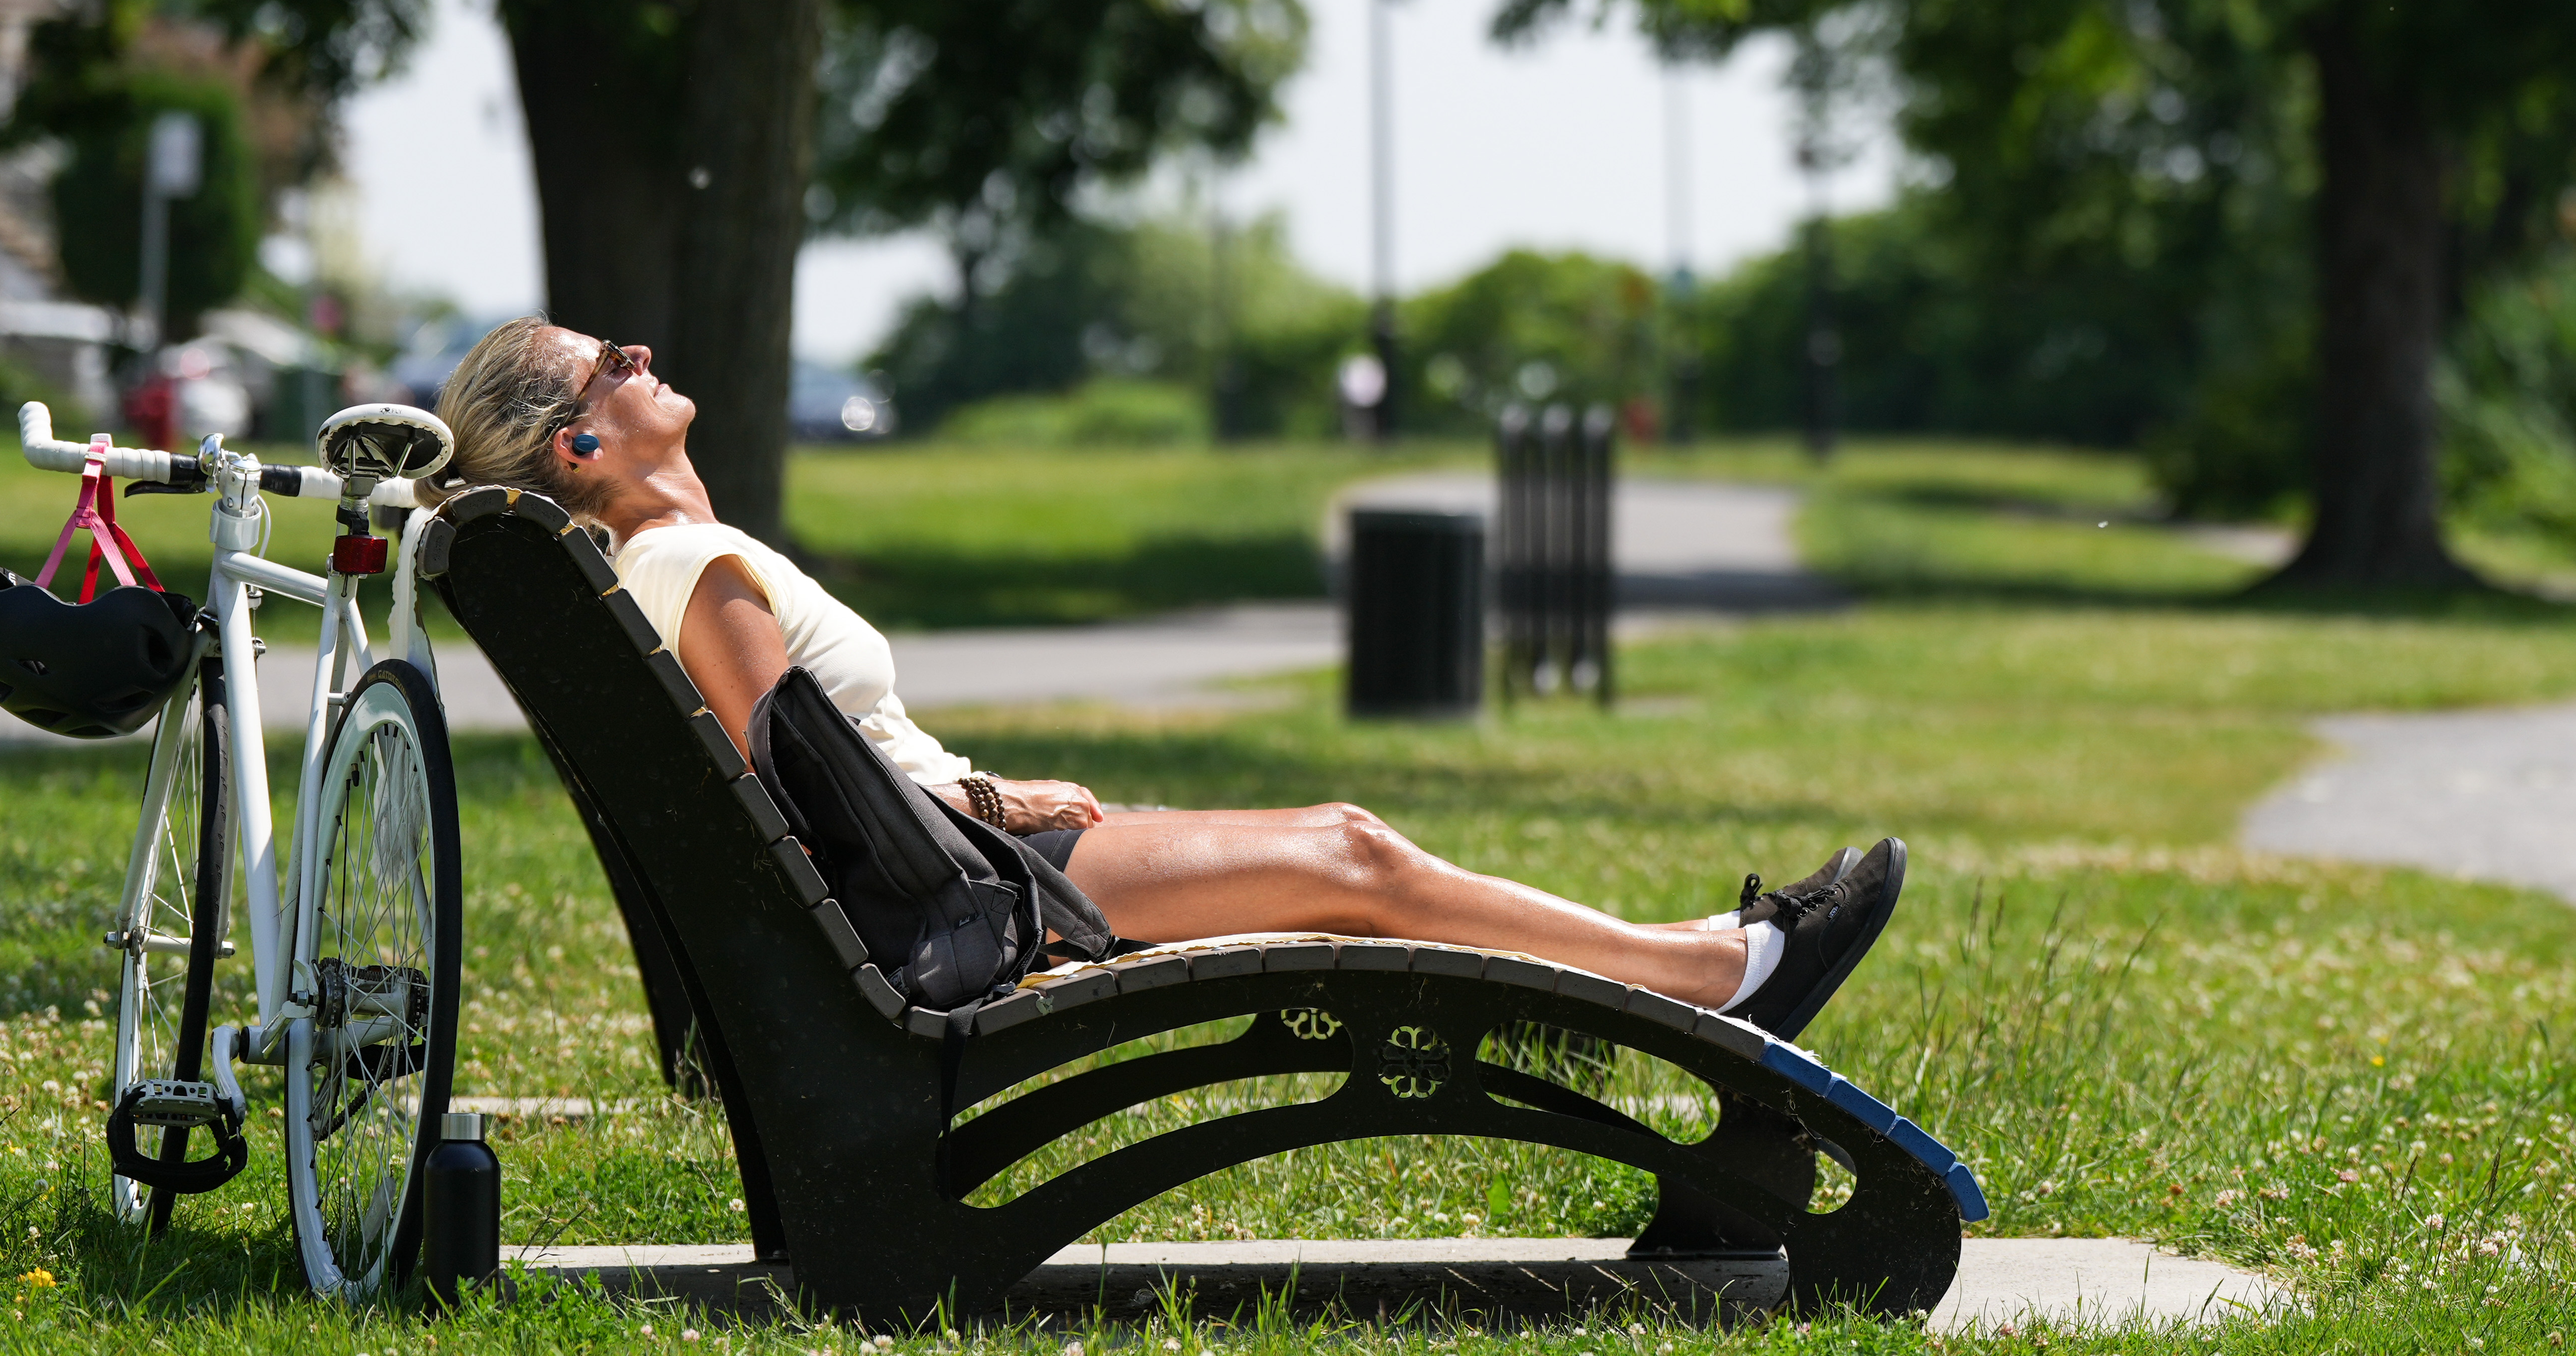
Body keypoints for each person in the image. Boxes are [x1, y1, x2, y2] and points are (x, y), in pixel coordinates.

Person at [431, 318, 1900, 1036]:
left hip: (955, 878)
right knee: (1351, 850)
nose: (638, 348)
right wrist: (998, 805)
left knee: (1350, 853)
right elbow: (801, 790)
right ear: (579, 444)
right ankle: (1718, 978)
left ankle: (1699, 970)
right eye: (606, 358)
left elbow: (798, 778)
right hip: (959, 899)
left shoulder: (669, 570)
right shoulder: (696, 570)